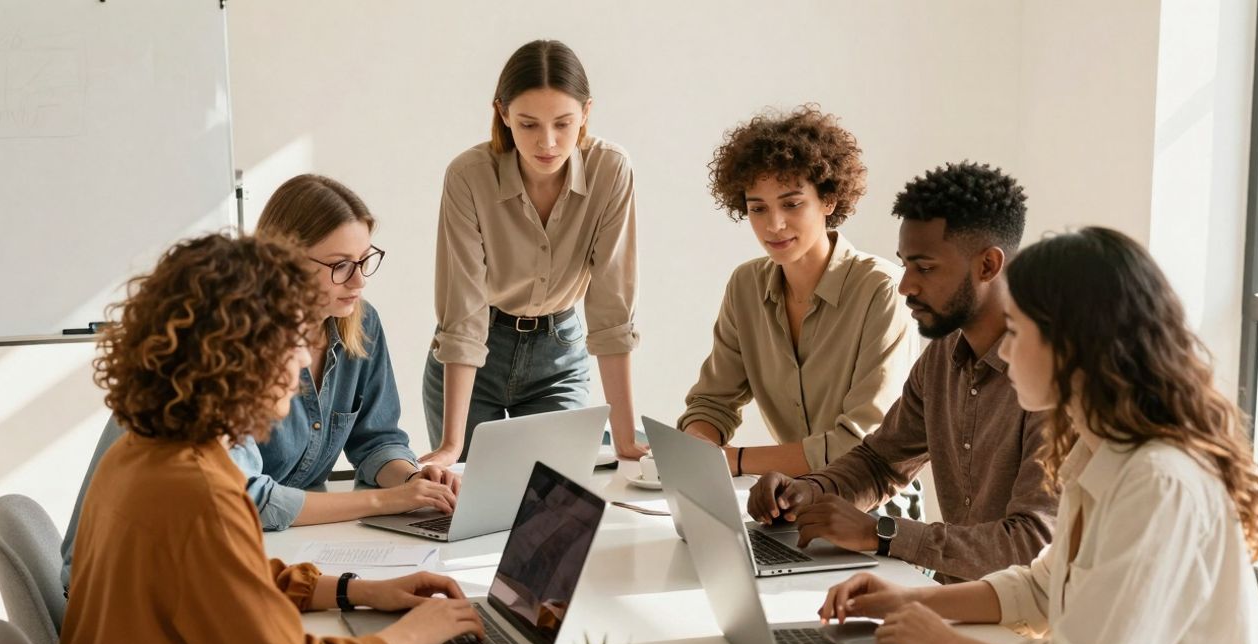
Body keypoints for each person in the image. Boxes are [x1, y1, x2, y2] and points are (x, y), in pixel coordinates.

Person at [818, 227, 1258, 644]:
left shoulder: (1159, 480)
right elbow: (1043, 589)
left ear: (1073, 344)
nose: (1006, 349)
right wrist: (911, 602)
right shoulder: (1100, 451)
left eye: (1017, 330)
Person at [49, 232, 485, 644]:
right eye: (295, 341)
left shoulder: (151, 450)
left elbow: (228, 578)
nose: (305, 359)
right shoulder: (197, 494)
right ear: (242, 356)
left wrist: (357, 590)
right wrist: (405, 639)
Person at [61, 174, 455, 588]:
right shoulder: (229, 358)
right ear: (283, 262)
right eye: (340, 266)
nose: (359, 281)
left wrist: (411, 482)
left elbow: (376, 439)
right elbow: (245, 501)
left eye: (364, 261)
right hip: (135, 588)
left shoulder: (358, 323)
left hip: (263, 555)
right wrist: (384, 503)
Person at [747, 162, 1056, 583]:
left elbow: (1033, 545)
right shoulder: (943, 356)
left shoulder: (1055, 377)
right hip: (951, 606)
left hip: (1021, 631)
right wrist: (809, 491)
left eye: (925, 268)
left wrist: (882, 533)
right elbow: (880, 463)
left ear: (987, 265)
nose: (905, 285)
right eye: (905, 265)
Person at [421, 39, 642, 465]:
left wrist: (626, 436)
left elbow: (612, 306)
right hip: (477, 353)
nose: (548, 142)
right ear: (503, 114)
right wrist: (451, 445)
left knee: (554, 511)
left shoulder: (610, 170)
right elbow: (463, 307)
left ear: (586, 113)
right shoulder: (469, 176)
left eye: (563, 123)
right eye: (527, 125)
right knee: (472, 511)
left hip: (558, 357)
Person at [678, 105, 912, 479]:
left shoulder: (882, 290)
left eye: (791, 203)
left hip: (874, 511)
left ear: (829, 200)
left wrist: (732, 461)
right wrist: (698, 449)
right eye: (758, 208)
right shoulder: (745, 287)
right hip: (791, 502)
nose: (774, 224)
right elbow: (711, 402)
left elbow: (859, 444)